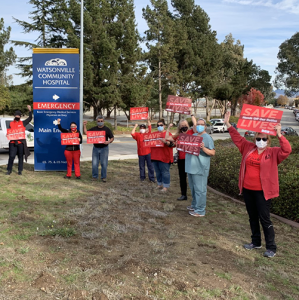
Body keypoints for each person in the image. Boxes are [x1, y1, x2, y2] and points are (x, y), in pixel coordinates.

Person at [224, 111, 292, 258]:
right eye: (258, 138)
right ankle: (256, 242)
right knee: (252, 217)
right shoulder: (248, 148)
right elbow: (237, 138)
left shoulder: (273, 153)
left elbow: (287, 150)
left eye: (264, 139)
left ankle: (271, 247)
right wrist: (228, 124)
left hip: (263, 192)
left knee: (264, 218)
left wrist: (279, 134)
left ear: (268, 140)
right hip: (248, 189)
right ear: (255, 139)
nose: (261, 141)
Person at [185, 116, 215, 217]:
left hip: (200, 168)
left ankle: (200, 210)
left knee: (200, 190)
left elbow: (212, 152)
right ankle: (195, 205)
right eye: (198, 124)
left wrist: (203, 148)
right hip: (191, 167)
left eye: (202, 124)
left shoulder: (207, 138)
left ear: (205, 127)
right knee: (193, 188)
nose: (199, 126)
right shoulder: (193, 136)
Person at [166, 120, 194, 200]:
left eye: (185, 124)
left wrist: (191, 114)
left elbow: (195, 125)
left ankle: (194, 195)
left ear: (188, 125)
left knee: (192, 178)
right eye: (182, 125)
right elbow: (167, 138)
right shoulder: (178, 135)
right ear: (179, 127)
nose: (183, 126)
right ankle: (183, 194)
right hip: (181, 159)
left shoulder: (191, 132)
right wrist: (169, 128)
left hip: (191, 159)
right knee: (182, 178)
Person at [83, 115, 114, 182]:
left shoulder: (107, 129)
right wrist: (84, 125)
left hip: (104, 148)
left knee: (104, 163)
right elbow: (86, 133)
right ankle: (94, 177)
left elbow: (112, 137)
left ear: (104, 121)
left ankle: (103, 177)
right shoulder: (94, 129)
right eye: (98, 121)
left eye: (101, 121)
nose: (100, 122)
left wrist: (108, 141)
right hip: (95, 148)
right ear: (96, 121)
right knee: (94, 163)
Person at [6, 106, 32, 175]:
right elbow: (9, 132)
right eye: (16, 115)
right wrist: (8, 135)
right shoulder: (11, 123)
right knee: (11, 156)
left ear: (20, 116)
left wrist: (30, 111)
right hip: (12, 143)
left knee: (20, 157)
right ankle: (9, 170)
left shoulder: (23, 123)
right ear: (14, 116)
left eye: (18, 115)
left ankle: (20, 170)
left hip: (20, 143)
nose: (17, 116)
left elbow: (30, 118)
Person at [151, 119, 174, 192]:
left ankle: (165, 186)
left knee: (165, 172)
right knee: (157, 172)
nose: (159, 127)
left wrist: (165, 142)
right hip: (155, 156)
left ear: (164, 126)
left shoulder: (168, 134)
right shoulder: (154, 134)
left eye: (161, 125)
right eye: (158, 125)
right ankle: (159, 184)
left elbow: (172, 144)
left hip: (165, 157)